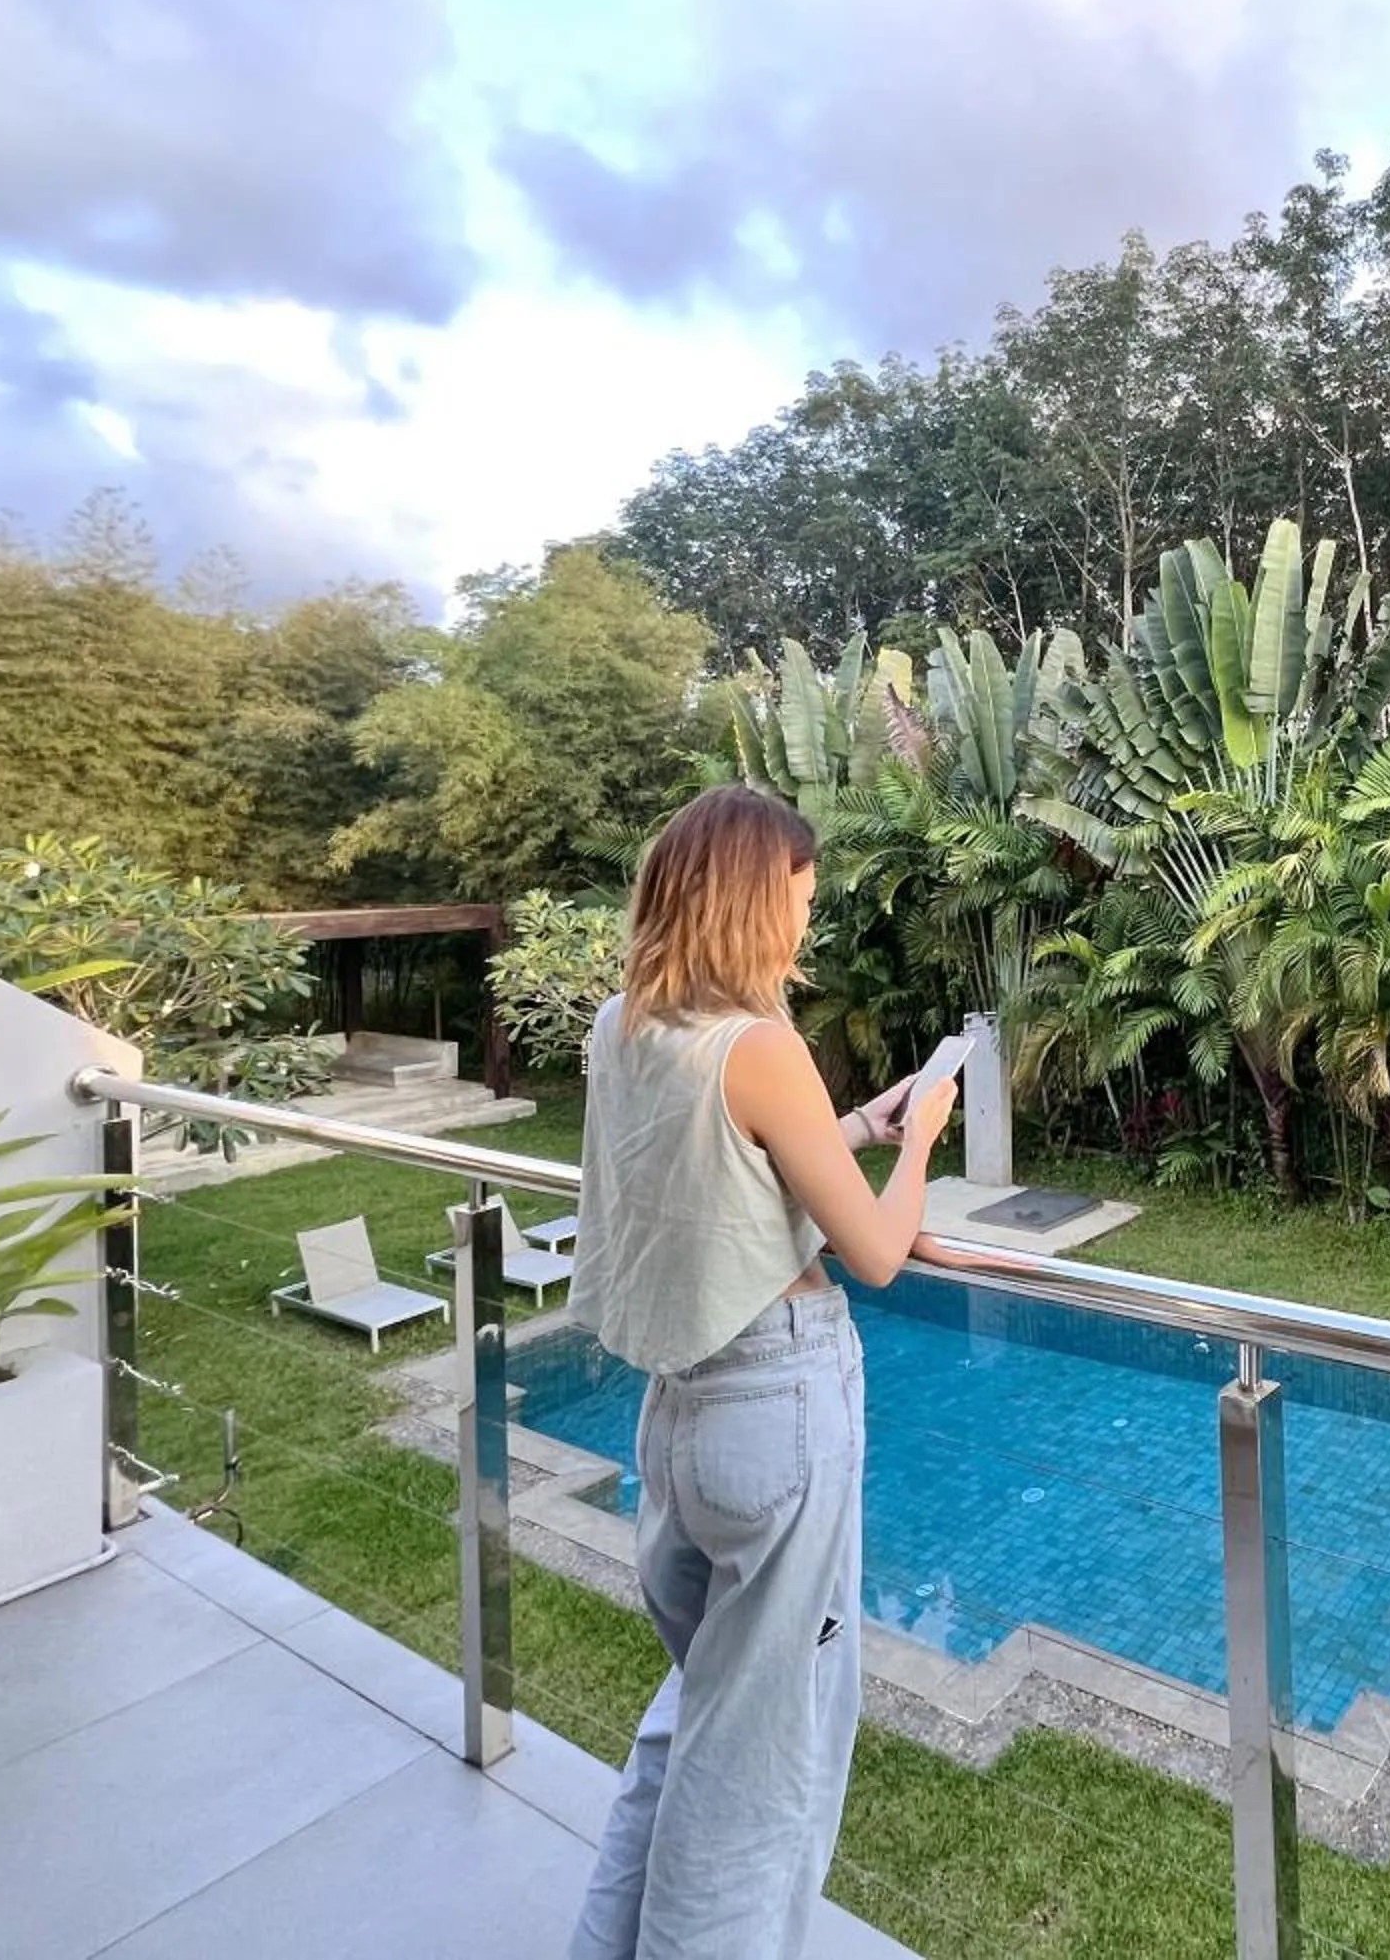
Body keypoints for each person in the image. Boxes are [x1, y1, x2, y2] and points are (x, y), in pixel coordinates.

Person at [565, 784, 958, 1960]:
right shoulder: (764, 1045)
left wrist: (857, 1130)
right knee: (762, 1768)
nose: (806, 920)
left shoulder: (621, 1026)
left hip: (679, 1422)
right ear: (754, 896)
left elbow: (727, 1175)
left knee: (694, 1728)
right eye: (800, 896)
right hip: (778, 1414)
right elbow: (878, 1252)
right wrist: (924, 1137)